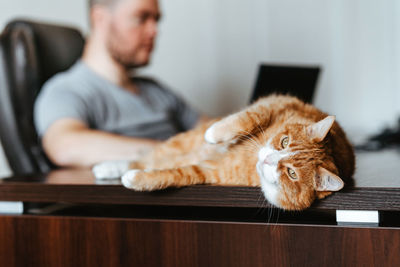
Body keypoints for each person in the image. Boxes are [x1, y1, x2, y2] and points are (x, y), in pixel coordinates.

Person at [34, 0, 207, 168]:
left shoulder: (156, 89)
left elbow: (210, 130)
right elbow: (64, 146)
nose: (154, 31)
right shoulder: (68, 90)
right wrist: (175, 153)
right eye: (141, 18)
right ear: (100, 18)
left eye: (156, 20)